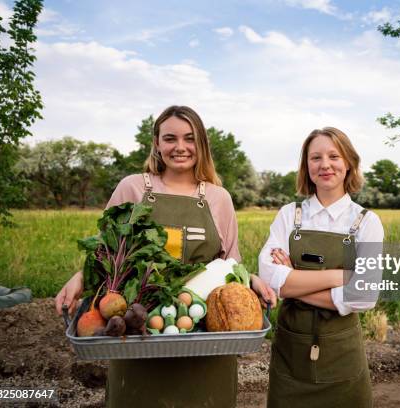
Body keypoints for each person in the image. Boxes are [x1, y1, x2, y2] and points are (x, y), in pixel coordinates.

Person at [55, 105, 276, 408]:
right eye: (170, 138)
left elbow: (231, 260)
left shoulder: (217, 197)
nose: (180, 147)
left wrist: (250, 278)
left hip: (204, 337)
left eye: (189, 138)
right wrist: (80, 277)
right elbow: (104, 249)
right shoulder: (133, 187)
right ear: (157, 143)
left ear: (201, 145)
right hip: (137, 332)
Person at [258, 127, 384, 408]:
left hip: (343, 358)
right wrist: (340, 276)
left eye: (334, 156)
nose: (325, 164)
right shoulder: (289, 216)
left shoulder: (367, 222)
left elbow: (364, 297)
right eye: (315, 157)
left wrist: (292, 285)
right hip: (291, 359)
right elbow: (269, 276)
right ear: (306, 166)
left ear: (349, 162)